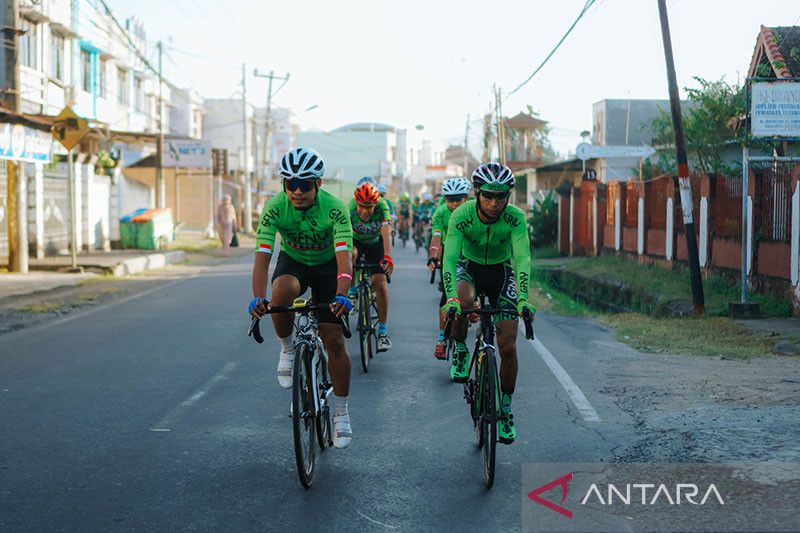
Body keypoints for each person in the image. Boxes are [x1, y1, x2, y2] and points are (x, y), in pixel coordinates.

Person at [248, 147, 355, 449]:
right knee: (280, 292)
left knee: (333, 338)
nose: (296, 191)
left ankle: (340, 413)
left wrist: (343, 294)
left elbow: (345, 256)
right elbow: (262, 256)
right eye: (290, 184)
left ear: (318, 184)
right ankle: (287, 350)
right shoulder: (274, 207)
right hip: (294, 262)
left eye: (304, 184)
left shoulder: (334, 208)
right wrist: (258, 297)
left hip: (328, 266)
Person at [440, 163, 536, 445]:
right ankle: (458, 347)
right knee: (464, 301)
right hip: (468, 269)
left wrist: (523, 299)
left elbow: (522, 259)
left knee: (508, 345)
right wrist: (452, 299)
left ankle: (505, 409)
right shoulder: (461, 215)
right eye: (488, 196)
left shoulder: (515, 218)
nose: (495, 203)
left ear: (508, 196)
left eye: (501, 196)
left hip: (500, 273)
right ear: (477, 193)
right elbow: (449, 258)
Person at [427, 177, 471, 359]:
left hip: (471, 253)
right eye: (449, 199)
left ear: (466, 199)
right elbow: (436, 238)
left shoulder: (474, 210)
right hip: (451, 254)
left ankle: (473, 306)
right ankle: (441, 338)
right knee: (447, 297)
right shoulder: (440, 213)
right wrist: (433, 256)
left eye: (458, 199)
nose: (453, 203)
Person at [348, 182, 394, 351]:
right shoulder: (349, 207)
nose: (365, 211)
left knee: (380, 284)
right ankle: (353, 291)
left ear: (376, 203)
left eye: (370, 207)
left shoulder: (382, 206)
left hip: (376, 244)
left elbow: (386, 231)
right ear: (356, 203)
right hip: (356, 242)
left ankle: (382, 332)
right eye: (362, 207)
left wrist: (388, 256)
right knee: (349, 255)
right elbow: (343, 233)